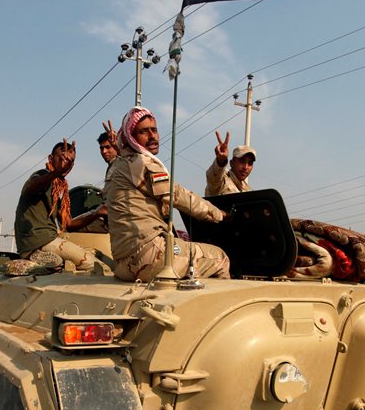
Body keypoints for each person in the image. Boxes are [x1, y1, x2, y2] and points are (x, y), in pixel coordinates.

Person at [104, 106, 230, 282]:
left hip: (124, 264)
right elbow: (176, 195)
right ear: (132, 137)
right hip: (150, 256)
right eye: (144, 132)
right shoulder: (141, 163)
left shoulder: (120, 165)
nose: (152, 136)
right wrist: (218, 214)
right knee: (221, 258)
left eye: (154, 130)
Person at [14, 139, 107, 272]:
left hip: (48, 239)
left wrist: (96, 213)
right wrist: (56, 172)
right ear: (50, 158)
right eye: (61, 158)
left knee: (100, 258)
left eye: (70, 161)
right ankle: (34, 256)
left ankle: (48, 259)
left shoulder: (59, 186)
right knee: (98, 268)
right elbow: (31, 188)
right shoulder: (42, 175)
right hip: (38, 241)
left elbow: (68, 224)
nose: (65, 163)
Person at [205, 130, 256, 196]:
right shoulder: (222, 181)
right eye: (242, 161)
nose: (245, 167)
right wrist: (221, 161)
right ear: (232, 163)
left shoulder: (248, 191)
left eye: (250, 163)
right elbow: (213, 178)